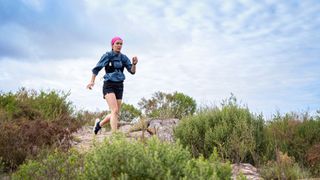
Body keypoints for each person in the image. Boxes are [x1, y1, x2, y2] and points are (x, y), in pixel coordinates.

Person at [86, 36, 138, 134]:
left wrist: (134, 64)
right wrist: (92, 81)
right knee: (114, 110)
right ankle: (115, 136)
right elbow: (96, 68)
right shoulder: (107, 56)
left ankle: (98, 125)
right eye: (117, 43)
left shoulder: (123, 57)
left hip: (119, 86)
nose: (119, 45)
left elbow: (132, 71)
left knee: (116, 113)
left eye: (121, 44)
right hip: (109, 85)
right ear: (112, 45)